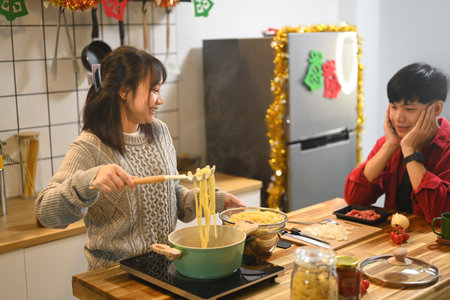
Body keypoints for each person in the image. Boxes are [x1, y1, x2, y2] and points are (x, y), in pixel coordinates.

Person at [35, 46, 244, 270]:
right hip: (115, 277)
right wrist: (89, 181)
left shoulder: (159, 132)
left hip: (164, 268)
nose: (160, 100)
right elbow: (45, 212)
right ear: (124, 91)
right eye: (154, 90)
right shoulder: (89, 147)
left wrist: (213, 200)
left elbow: (172, 197)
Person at [344, 63, 450, 223]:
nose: (398, 117)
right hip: (394, 241)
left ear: (436, 109)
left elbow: (441, 216)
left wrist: (409, 150)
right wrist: (390, 146)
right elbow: (354, 198)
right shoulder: (389, 142)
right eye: (394, 107)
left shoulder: (446, 148)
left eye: (409, 109)